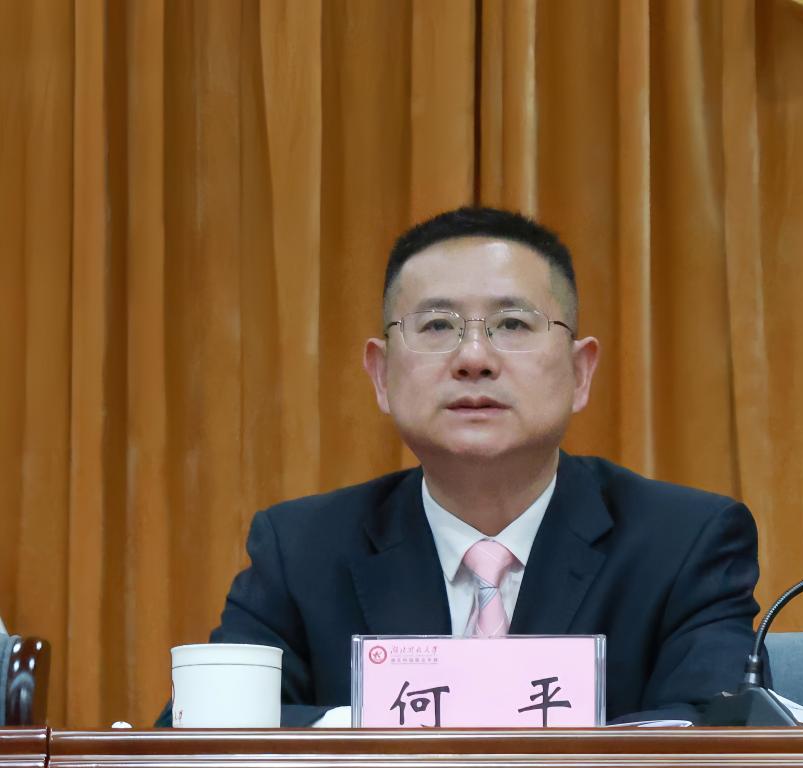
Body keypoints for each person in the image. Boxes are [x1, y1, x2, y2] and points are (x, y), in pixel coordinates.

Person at [158, 206, 765, 727]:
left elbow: (719, 735)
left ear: (580, 372)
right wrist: (371, 730)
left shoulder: (685, 543)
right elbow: (200, 733)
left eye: (512, 324)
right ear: (381, 375)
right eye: (438, 326)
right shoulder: (300, 550)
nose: (474, 357)